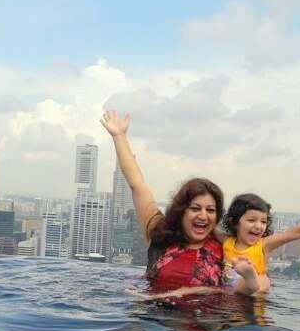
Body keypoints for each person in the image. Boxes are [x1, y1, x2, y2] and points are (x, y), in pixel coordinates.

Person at [100, 110, 255, 293]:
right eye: (195, 208)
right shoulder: (160, 234)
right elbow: (137, 185)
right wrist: (119, 136)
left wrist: (250, 277)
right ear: (182, 210)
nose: (203, 215)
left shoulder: (224, 247)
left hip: (205, 319)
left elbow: (245, 290)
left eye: (211, 210)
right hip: (154, 317)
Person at [219, 193, 300, 295]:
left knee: (259, 283)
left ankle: (250, 278)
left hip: (254, 297)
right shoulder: (226, 241)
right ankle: (248, 279)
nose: (258, 226)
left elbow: (295, 233)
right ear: (235, 222)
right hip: (231, 293)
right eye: (252, 220)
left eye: (263, 222)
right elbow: (208, 227)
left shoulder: (263, 245)